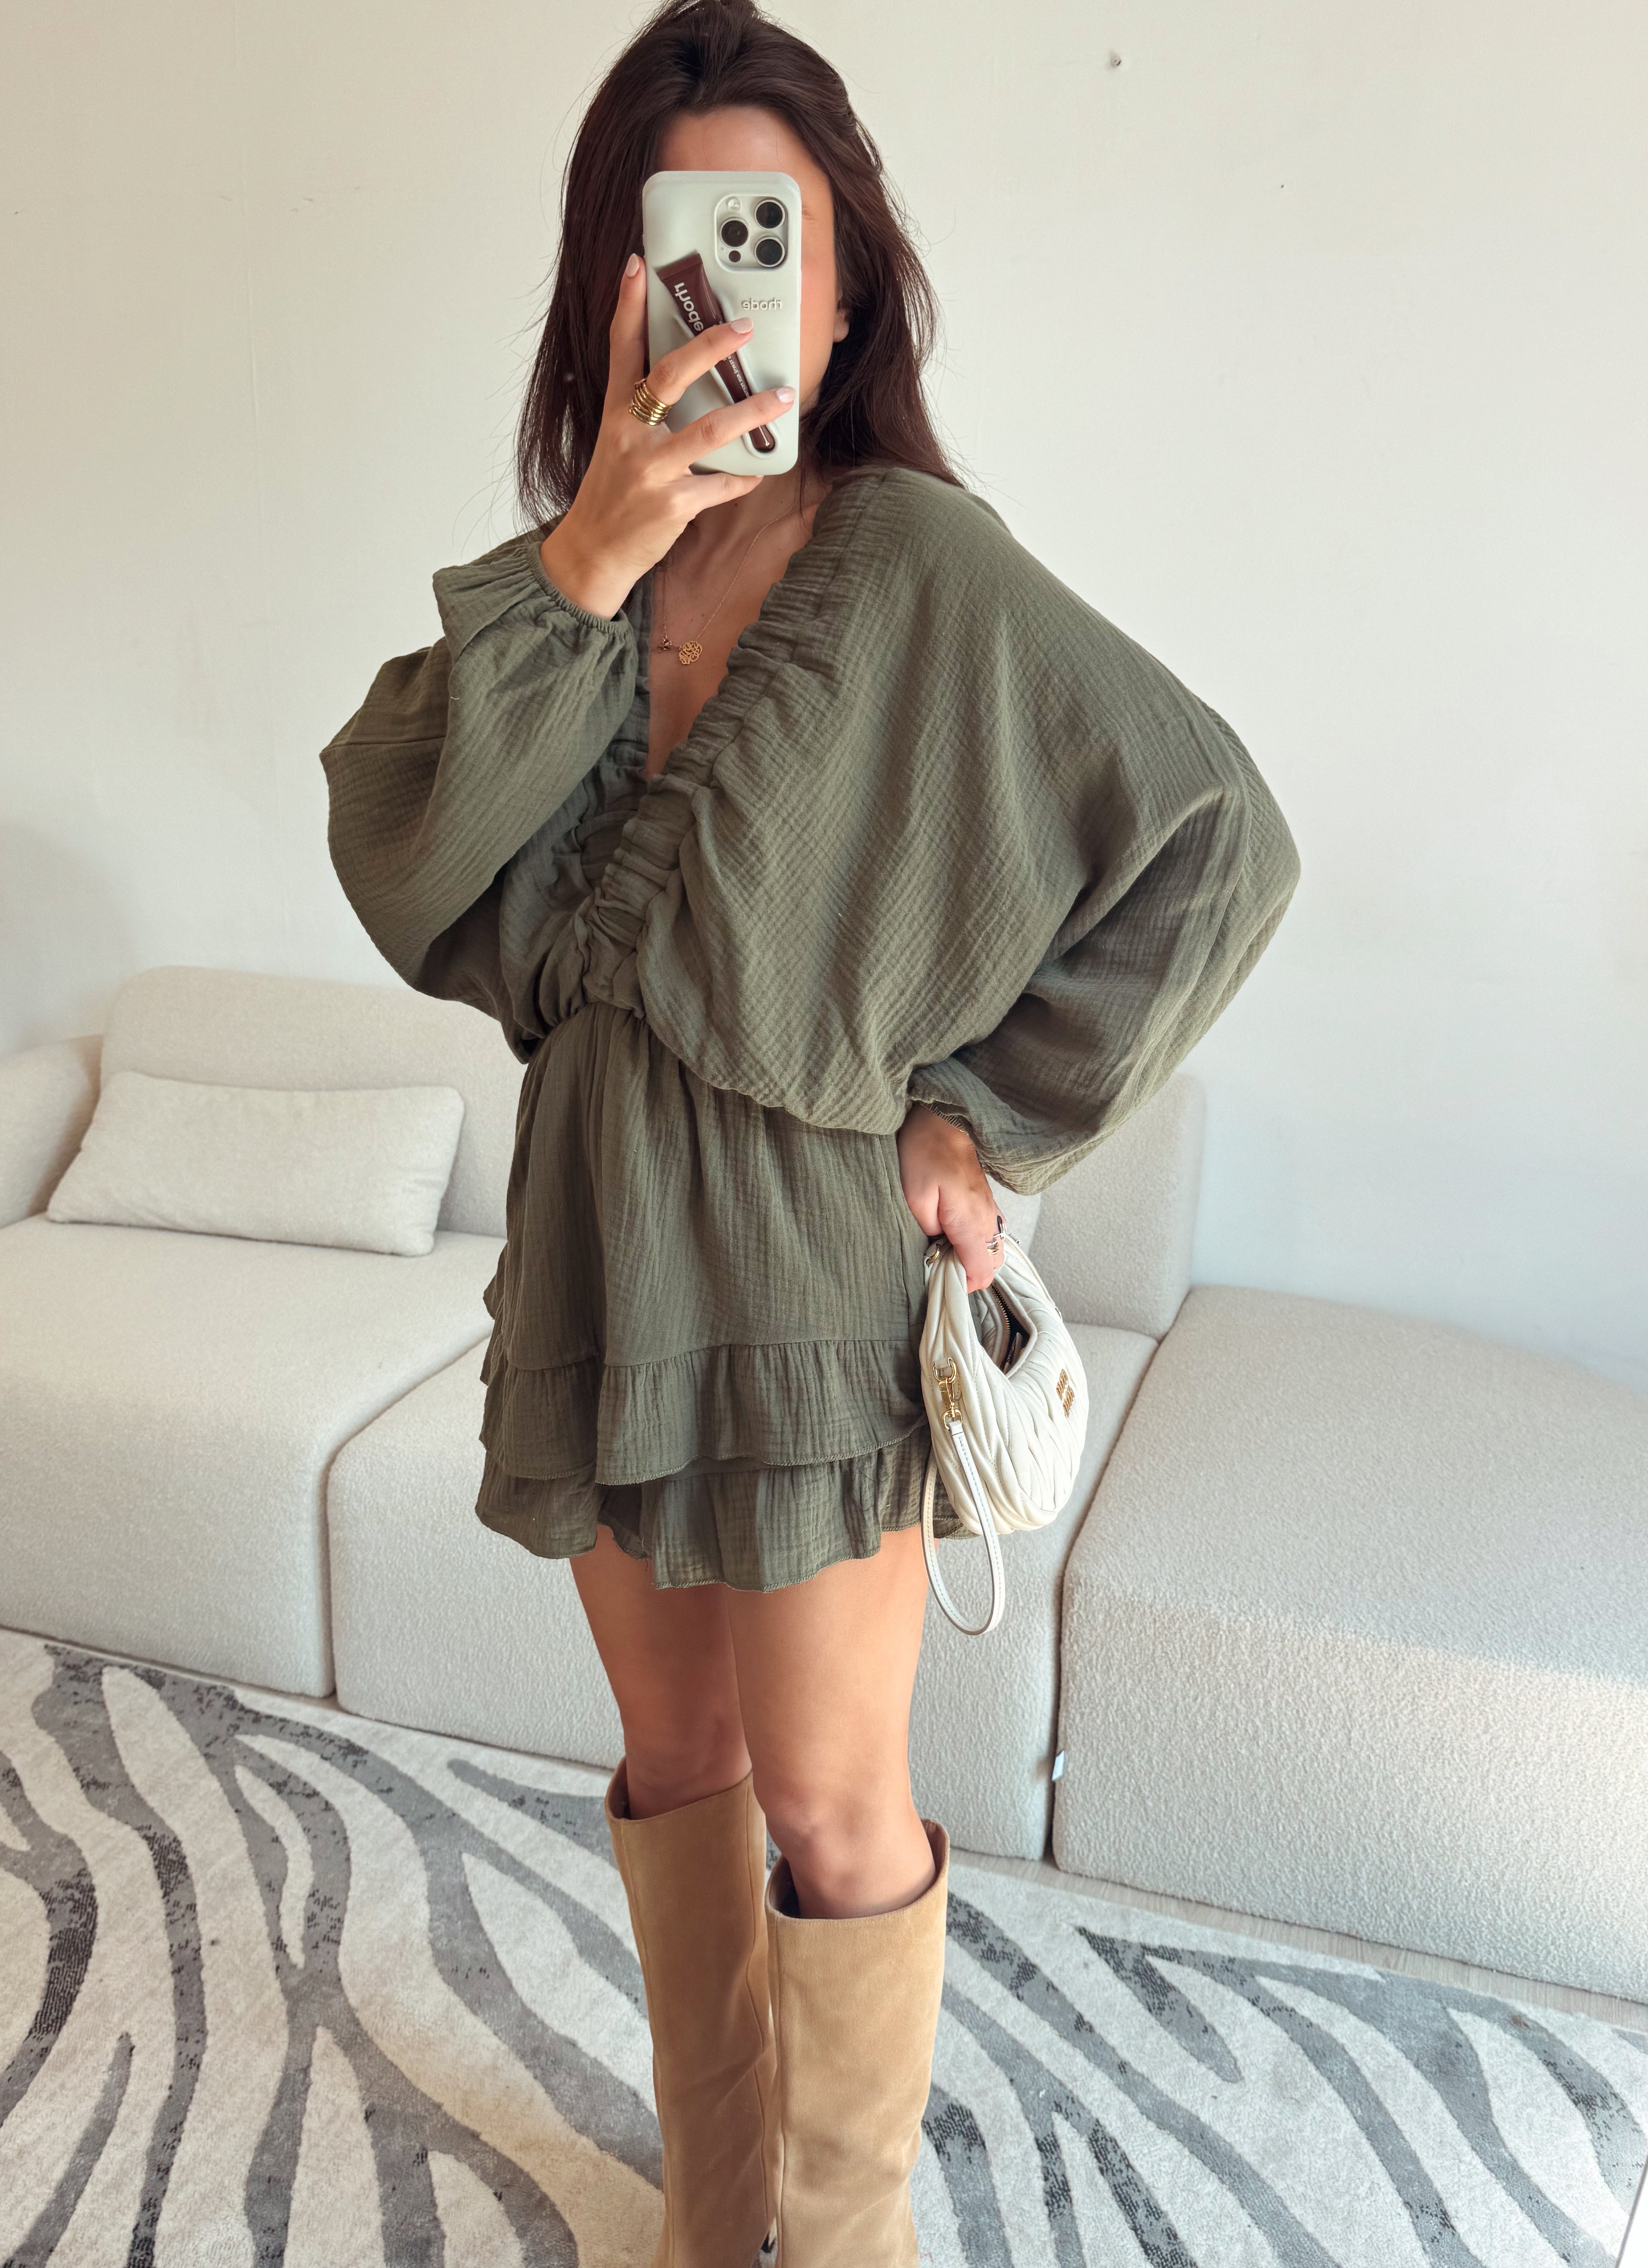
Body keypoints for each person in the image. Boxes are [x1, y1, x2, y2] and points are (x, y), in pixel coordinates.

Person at [319, 2, 1301, 2260]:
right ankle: (716, 2217)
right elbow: (405, 868)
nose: (731, 283)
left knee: (838, 1820)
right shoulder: (562, 597)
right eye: (680, 238)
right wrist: (589, 556)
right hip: (595, 1254)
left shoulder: (924, 568)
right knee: (678, 1774)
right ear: (611, 284)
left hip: (807, 1281)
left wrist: (982, 1121)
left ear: (846, 288)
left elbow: (1215, 837)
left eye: (778, 236)